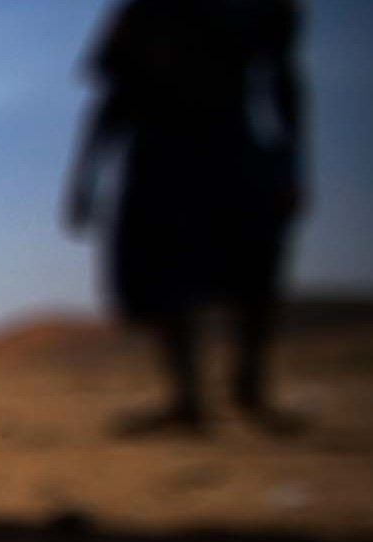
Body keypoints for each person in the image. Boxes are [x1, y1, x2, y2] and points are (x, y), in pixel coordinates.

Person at [66, 0, 309, 438]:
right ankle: (187, 398)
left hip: (230, 141)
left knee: (253, 266)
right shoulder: (141, 14)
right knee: (162, 274)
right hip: (159, 152)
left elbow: (283, 79)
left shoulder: (257, 12)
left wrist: (293, 163)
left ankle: (250, 388)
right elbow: (114, 97)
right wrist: (84, 177)